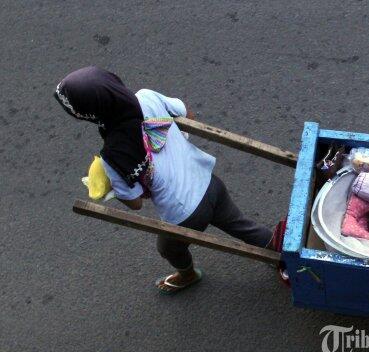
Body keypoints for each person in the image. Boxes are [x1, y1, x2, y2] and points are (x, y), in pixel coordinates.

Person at [54, 66, 278, 294]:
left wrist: (114, 187)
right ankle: (280, 254)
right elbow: (187, 116)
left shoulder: (112, 157)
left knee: (169, 248)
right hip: (208, 182)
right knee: (239, 224)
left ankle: (187, 274)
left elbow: (135, 204)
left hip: (184, 214)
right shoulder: (146, 97)